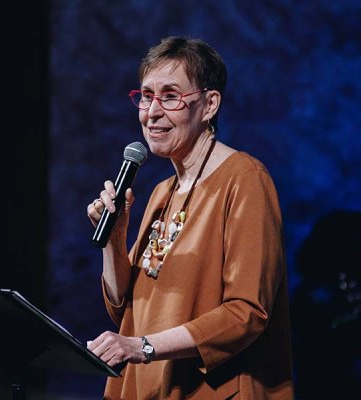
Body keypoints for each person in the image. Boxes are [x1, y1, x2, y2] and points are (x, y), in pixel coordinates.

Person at [86, 36, 294, 399]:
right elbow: (126, 311)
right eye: (146, 96)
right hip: (152, 387)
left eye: (170, 96)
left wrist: (142, 348)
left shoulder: (245, 179)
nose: (152, 111)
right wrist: (114, 240)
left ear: (210, 104)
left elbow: (247, 312)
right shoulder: (161, 192)